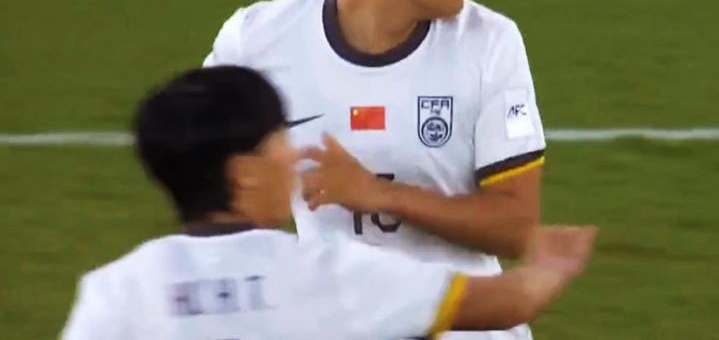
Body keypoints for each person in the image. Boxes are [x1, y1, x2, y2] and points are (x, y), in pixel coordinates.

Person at [204, 0, 548, 338]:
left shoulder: (489, 43)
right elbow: (206, 184)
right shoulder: (256, 41)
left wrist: (383, 195)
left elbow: (517, 227)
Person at [61, 66, 596, 339]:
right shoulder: (322, 273)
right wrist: (552, 264)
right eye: (279, 139)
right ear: (244, 174)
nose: (293, 155)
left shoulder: (116, 290)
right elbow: (504, 304)